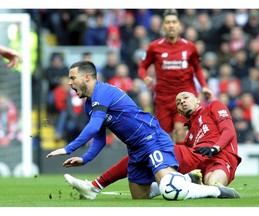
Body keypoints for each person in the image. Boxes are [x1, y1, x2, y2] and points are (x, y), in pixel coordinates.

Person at [46, 61, 240, 200]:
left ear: (87, 77)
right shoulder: (90, 105)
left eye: (72, 78)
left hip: (150, 137)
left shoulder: (103, 92)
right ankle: (184, 180)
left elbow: (94, 126)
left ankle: (213, 191)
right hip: (136, 147)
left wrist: (69, 148)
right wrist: (85, 158)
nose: (69, 83)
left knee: (170, 189)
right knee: (139, 196)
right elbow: (99, 138)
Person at [64, 90, 242, 199]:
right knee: (140, 192)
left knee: (215, 184)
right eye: (179, 102)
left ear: (197, 99)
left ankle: (96, 185)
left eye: (186, 98)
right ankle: (187, 181)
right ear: (178, 111)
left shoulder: (214, 106)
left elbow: (229, 130)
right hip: (197, 158)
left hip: (221, 156)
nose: (182, 102)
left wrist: (215, 147)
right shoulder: (189, 132)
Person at [138, 9, 213, 145]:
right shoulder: (154, 47)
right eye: (168, 22)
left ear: (179, 26)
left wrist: (204, 87)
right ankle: (172, 162)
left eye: (174, 22)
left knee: (180, 130)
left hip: (184, 95)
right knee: (165, 137)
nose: (171, 25)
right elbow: (142, 67)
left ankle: (182, 164)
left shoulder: (189, 47)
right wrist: (144, 77)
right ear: (163, 26)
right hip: (163, 99)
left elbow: (197, 68)